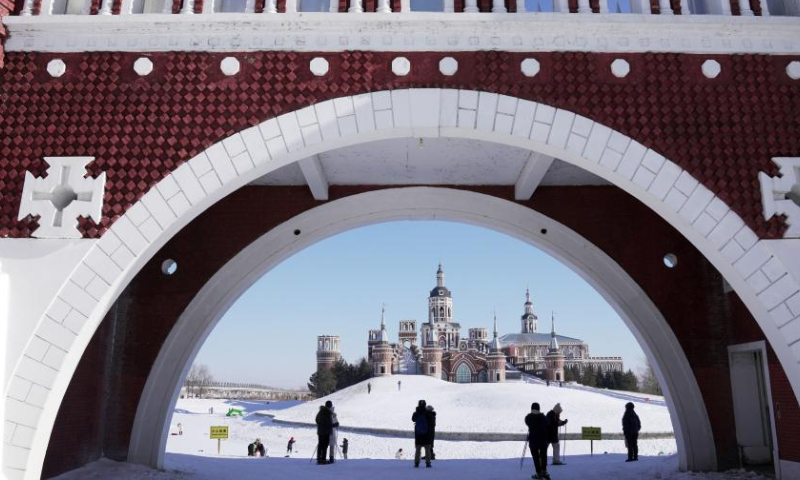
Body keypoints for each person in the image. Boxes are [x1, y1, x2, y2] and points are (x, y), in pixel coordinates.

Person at [525, 402, 550, 480]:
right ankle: (544, 472)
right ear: (539, 409)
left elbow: (527, 422)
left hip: (533, 440)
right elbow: (547, 422)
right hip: (542, 440)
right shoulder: (542, 417)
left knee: (535, 458)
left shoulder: (528, 417)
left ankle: (538, 473)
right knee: (543, 456)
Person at [412, 399, 434, 468]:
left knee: (418, 449)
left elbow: (413, 419)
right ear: (425, 405)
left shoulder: (416, 413)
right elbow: (432, 422)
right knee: (427, 449)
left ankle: (416, 463)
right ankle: (428, 463)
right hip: (426, 434)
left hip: (418, 434)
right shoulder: (428, 413)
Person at [315, 400, 334, 465]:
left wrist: (320, 425)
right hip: (326, 432)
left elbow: (316, 419)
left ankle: (319, 459)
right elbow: (329, 423)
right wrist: (335, 425)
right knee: (325, 445)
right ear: (330, 406)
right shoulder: (327, 412)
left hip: (320, 431)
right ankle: (323, 459)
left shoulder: (320, 411)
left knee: (320, 445)